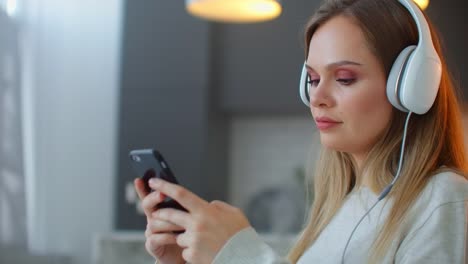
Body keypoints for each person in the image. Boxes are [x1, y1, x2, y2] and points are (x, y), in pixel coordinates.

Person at [134, 0, 468, 263]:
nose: (317, 98)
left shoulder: (444, 198)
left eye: (344, 78)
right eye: (312, 79)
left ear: (409, 86)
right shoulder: (340, 207)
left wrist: (238, 254)